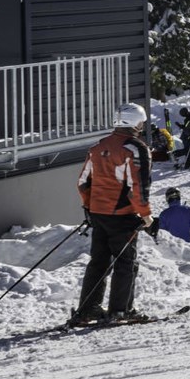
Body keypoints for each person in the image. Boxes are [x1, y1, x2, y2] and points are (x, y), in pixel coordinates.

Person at [71, 104, 155, 326]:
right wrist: (146, 214)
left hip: (98, 213)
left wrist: (89, 207)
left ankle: (87, 310)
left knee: (98, 262)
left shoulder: (98, 147)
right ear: (135, 122)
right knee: (125, 263)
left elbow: (83, 182)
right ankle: (121, 310)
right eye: (142, 122)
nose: (143, 125)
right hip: (122, 214)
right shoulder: (136, 148)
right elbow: (138, 185)